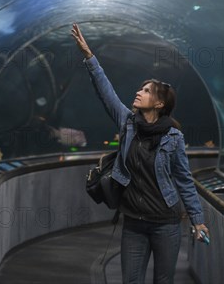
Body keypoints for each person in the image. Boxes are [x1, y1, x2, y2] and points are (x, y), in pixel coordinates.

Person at [71, 23, 209, 284]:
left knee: (163, 281)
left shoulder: (174, 137)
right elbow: (106, 93)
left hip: (165, 223)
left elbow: (184, 180)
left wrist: (197, 220)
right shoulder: (127, 123)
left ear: (159, 103)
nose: (138, 92)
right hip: (134, 221)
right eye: (140, 88)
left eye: (146, 91)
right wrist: (90, 57)